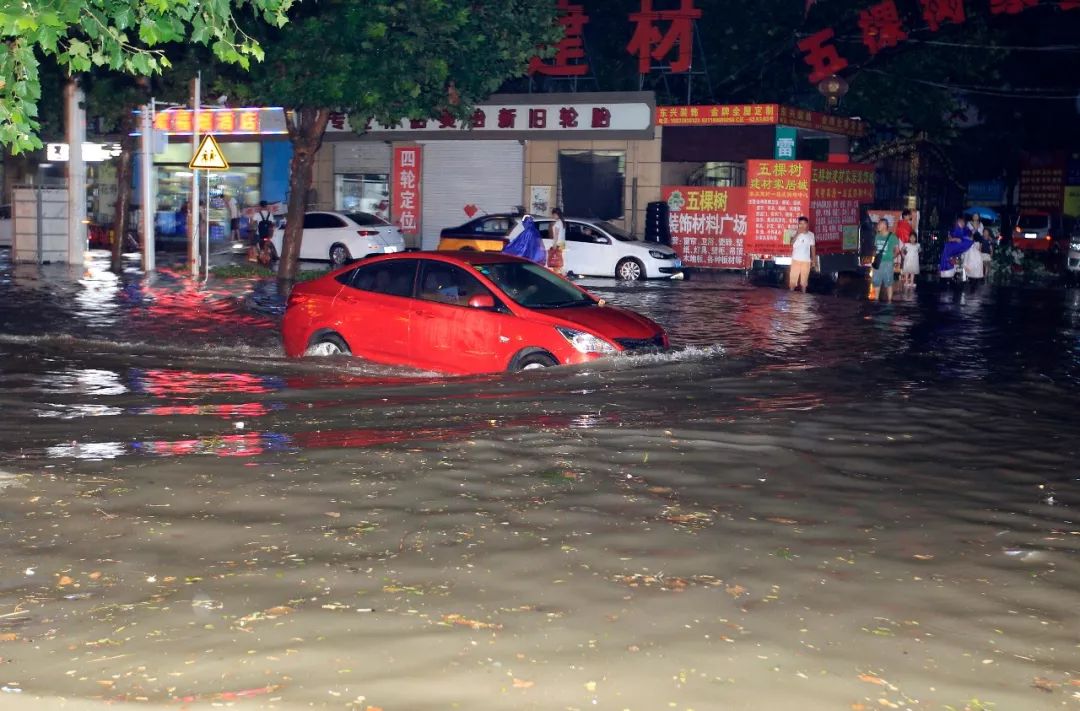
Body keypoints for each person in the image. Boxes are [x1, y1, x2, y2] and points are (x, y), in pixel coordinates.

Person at [871, 218, 901, 303]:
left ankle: (889, 302)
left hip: (887, 263)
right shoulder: (877, 236)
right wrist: (873, 258)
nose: (878, 226)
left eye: (879, 224)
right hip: (878, 262)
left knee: (888, 282)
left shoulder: (892, 236)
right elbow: (875, 248)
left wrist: (891, 257)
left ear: (884, 225)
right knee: (876, 281)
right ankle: (876, 300)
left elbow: (897, 250)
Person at [788, 216, 815, 292]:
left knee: (804, 282)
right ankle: (791, 297)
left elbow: (813, 248)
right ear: (798, 224)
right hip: (795, 260)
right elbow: (791, 243)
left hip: (806, 261)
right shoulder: (794, 233)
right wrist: (797, 234)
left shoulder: (811, 235)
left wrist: (814, 260)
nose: (802, 225)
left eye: (804, 223)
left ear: (807, 224)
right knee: (792, 281)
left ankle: (803, 297)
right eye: (800, 224)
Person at [548, 207, 567, 275]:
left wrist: (554, 245)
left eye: (553, 215)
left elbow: (556, 235)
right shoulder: (562, 222)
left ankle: (560, 275)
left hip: (558, 244)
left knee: (555, 261)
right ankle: (562, 274)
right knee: (558, 261)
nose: (553, 216)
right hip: (562, 244)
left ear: (556, 214)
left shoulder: (557, 223)